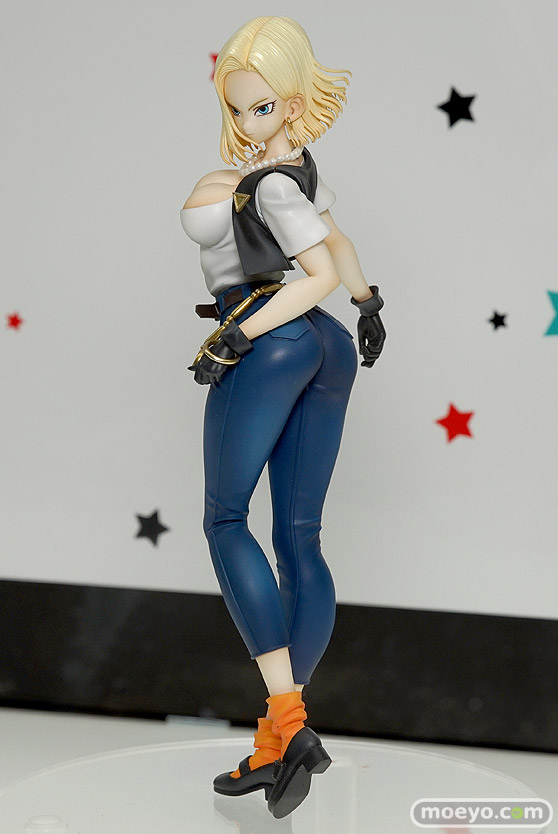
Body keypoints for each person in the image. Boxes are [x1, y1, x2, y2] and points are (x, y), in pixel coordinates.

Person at [180, 16, 386, 818]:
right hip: (325, 346)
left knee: (225, 520)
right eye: (238, 108)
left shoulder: (268, 183)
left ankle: (288, 724)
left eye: (262, 107)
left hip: (274, 336)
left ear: (294, 103)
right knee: (300, 535)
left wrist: (235, 335)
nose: (246, 121)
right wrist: (369, 304)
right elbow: (341, 252)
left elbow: (314, 272)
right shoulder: (296, 174)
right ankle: (280, 735)